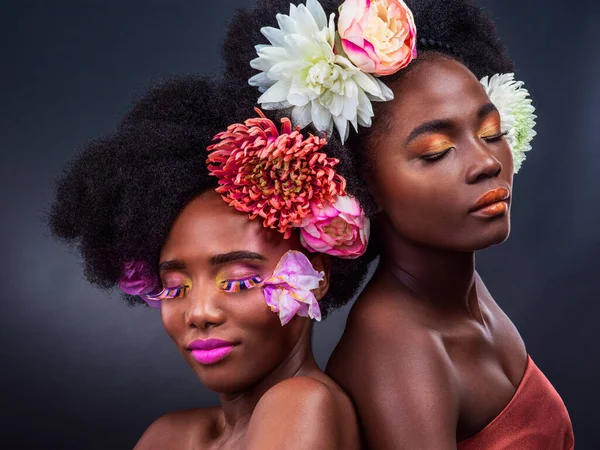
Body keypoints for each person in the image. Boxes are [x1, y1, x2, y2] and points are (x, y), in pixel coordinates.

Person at [221, 0, 575, 448]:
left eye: (491, 133)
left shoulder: (459, 295)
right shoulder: (398, 350)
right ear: (362, 184)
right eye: (435, 151)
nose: (487, 162)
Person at [48, 75, 364, 449]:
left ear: (318, 275)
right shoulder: (170, 436)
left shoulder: (302, 403)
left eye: (238, 281)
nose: (198, 312)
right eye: (175, 287)